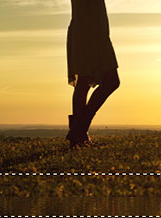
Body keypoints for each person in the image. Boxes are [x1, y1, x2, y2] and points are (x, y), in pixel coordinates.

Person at [66, 0, 120, 148]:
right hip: (90, 32)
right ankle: (79, 131)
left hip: (89, 30)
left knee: (84, 83)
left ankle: (78, 134)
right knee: (110, 81)